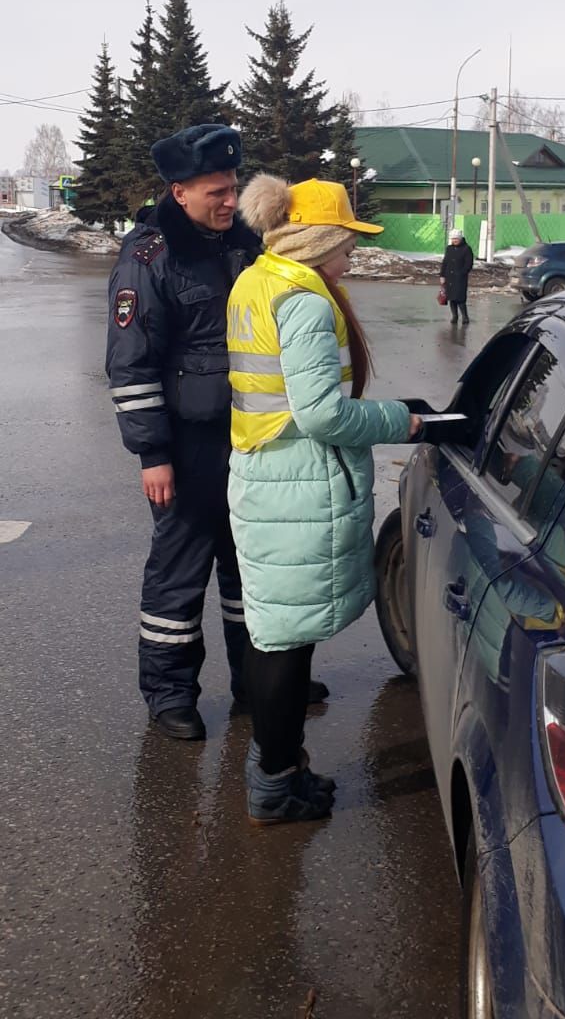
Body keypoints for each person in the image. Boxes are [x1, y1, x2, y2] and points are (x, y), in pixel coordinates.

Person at [106, 125, 328, 741]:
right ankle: (170, 693)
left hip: (249, 437)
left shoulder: (245, 245)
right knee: (179, 572)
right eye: (216, 192)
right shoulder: (148, 258)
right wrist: (152, 453)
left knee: (250, 567)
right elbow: (131, 365)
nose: (230, 201)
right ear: (178, 192)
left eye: (233, 188)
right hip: (185, 442)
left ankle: (257, 683)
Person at [227, 175, 423, 824]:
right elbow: (321, 416)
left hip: (268, 474)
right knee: (282, 644)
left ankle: (282, 771)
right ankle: (276, 785)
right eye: (346, 241)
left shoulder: (260, 278)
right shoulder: (306, 302)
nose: (352, 254)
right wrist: (401, 421)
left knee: (277, 634)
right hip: (298, 484)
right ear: (315, 238)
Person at [440, 227, 474, 324]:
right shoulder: (449, 249)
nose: (454, 241)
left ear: (460, 238)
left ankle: (465, 317)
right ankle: (454, 316)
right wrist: (442, 275)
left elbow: (469, 264)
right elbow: (445, 262)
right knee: (451, 298)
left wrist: (462, 273)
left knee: (460, 298)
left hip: (460, 278)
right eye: (453, 239)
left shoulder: (466, 249)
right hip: (449, 277)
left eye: (456, 239)